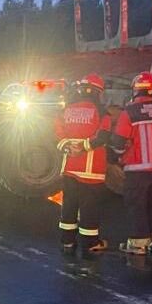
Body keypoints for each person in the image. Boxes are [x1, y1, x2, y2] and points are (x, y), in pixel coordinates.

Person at [110, 73, 152, 255]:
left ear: (135, 90)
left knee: (137, 204)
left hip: (137, 168)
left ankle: (138, 243)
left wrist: (116, 156)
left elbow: (118, 142)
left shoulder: (130, 112)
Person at [53, 74, 113, 256]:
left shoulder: (67, 110)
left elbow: (56, 132)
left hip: (69, 167)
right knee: (89, 207)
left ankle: (67, 241)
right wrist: (84, 147)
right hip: (91, 169)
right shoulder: (102, 112)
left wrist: (67, 146)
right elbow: (103, 136)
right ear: (98, 92)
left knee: (69, 204)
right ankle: (90, 243)